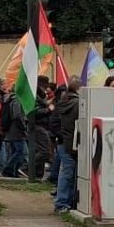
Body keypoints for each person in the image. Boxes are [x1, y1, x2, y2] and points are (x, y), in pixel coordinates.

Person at [50, 81, 82, 213]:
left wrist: (59, 136)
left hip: (62, 141)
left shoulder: (61, 103)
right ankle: (62, 202)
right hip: (73, 142)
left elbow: (53, 122)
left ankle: (63, 201)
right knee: (68, 172)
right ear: (79, 89)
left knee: (65, 171)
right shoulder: (79, 104)